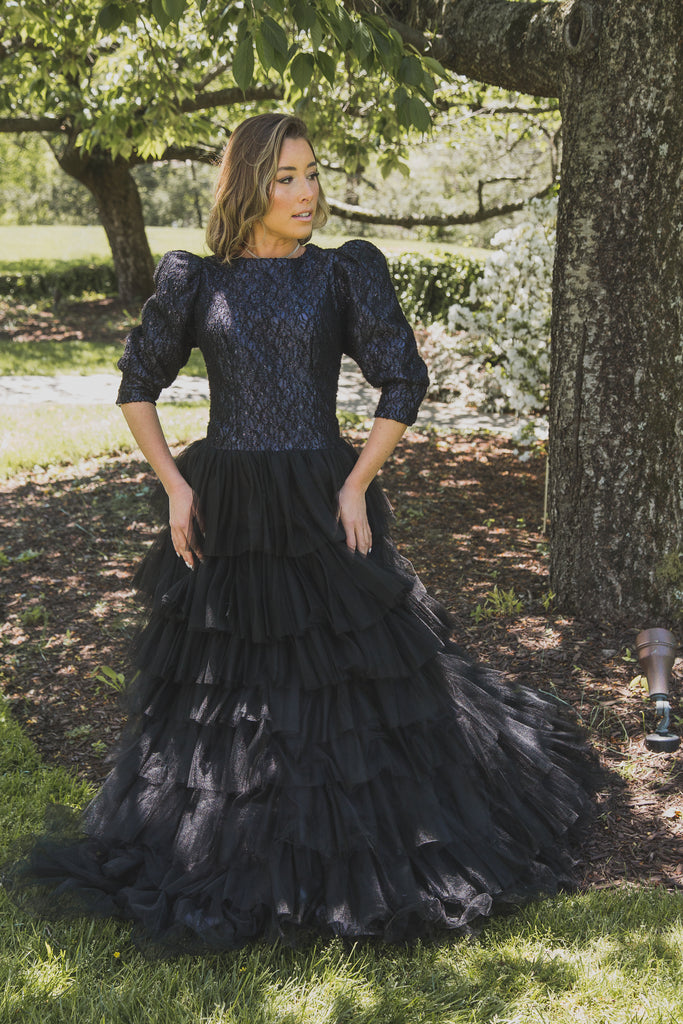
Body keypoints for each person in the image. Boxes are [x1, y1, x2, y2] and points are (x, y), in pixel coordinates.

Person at [11, 113, 594, 951]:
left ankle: (360, 851)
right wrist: (174, 485)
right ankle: (230, 846)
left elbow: (401, 379)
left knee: (345, 687)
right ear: (246, 183)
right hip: (227, 505)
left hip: (322, 496)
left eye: (312, 174)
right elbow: (137, 382)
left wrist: (358, 482)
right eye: (285, 177)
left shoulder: (342, 275)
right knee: (225, 692)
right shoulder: (194, 280)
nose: (305, 193)